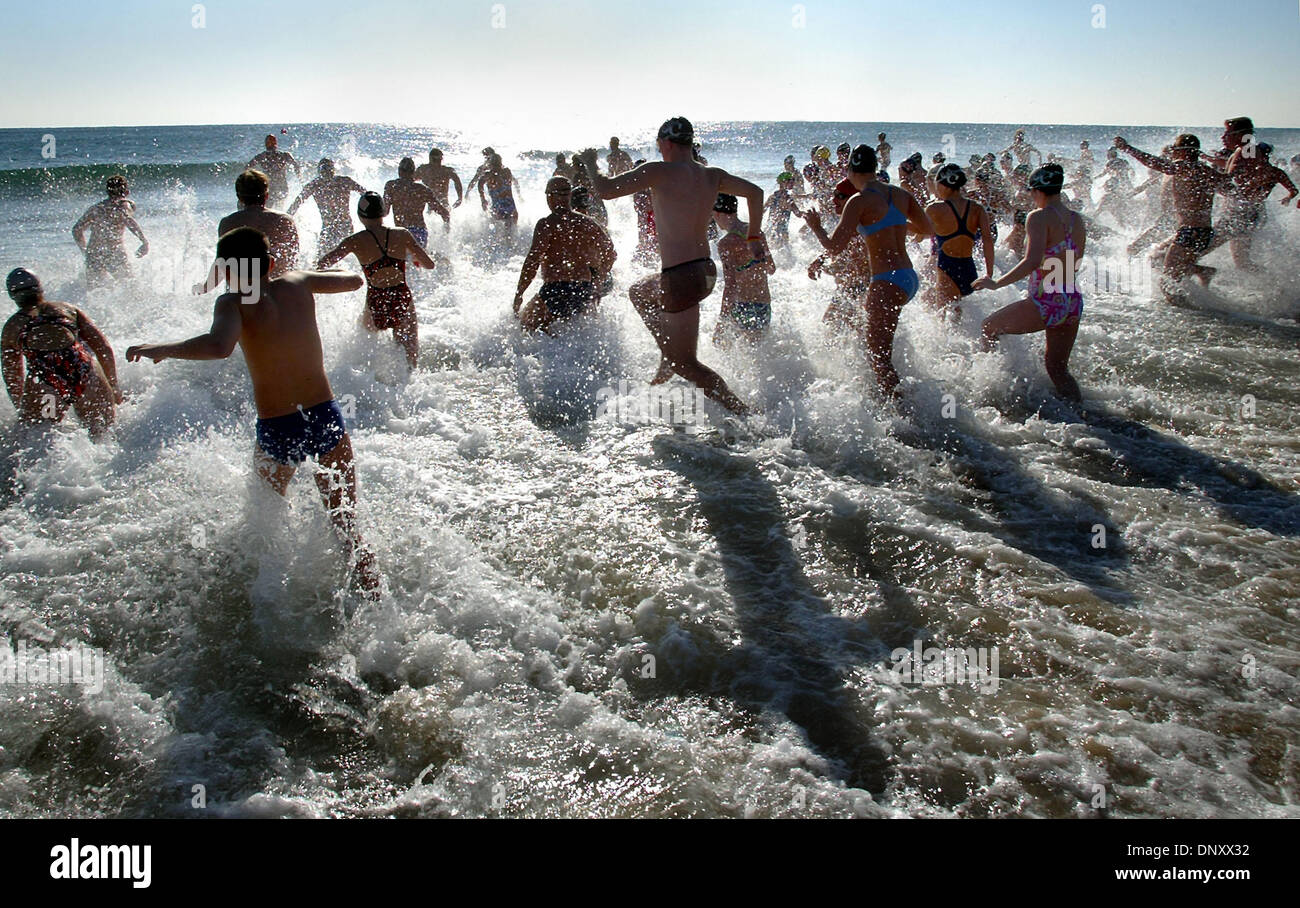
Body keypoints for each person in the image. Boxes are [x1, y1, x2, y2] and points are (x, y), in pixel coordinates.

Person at [127, 227, 380, 596]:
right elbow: (354, 280)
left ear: (226, 270)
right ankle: (373, 602)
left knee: (265, 524)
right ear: (272, 263)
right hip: (325, 415)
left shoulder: (231, 303)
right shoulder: (296, 281)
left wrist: (162, 348)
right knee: (347, 525)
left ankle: (269, 601)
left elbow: (218, 346)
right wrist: (308, 275)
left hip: (279, 426)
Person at [574, 116, 762, 415]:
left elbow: (606, 190)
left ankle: (745, 413)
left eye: (659, 144)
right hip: (704, 271)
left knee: (686, 364)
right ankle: (666, 353)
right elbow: (756, 192)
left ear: (668, 143)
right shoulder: (712, 175)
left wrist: (589, 162)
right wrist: (752, 235)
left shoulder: (658, 171)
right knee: (639, 292)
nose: (659, 149)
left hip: (681, 276)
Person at [801, 145, 933, 400]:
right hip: (908, 277)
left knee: (880, 358)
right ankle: (889, 399)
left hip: (885, 281)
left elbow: (834, 246)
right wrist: (891, 225)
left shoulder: (858, 201)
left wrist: (816, 227)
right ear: (874, 168)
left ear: (850, 170)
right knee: (878, 350)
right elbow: (926, 229)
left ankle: (902, 419)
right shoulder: (900, 194)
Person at [974, 164, 1085, 402]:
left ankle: (991, 393)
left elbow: (1032, 261)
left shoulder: (1038, 217)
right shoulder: (1077, 220)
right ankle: (1084, 415)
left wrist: (996, 283)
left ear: (1037, 190)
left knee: (988, 328)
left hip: (1047, 301)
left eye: (1031, 192)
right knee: (1057, 369)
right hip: (1072, 300)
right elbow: (1075, 262)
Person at [318, 192, 436, 368]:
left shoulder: (354, 241)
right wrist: (412, 256)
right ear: (383, 213)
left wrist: (344, 273)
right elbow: (429, 264)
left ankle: (369, 382)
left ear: (360, 216)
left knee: (365, 354)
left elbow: (322, 264)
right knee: (410, 360)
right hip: (401, 296)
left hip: (375, 299)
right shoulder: (402, 234)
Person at [2, 268, 121, 438]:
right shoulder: (68, 309)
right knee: (104, 435)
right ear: (40, 289)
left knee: (38, 439)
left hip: (46, 380)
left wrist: (22, 408)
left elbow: (12, 375)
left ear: (12, 295)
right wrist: (113, 385)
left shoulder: (12, 327)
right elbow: (103, 348)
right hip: (85, 370)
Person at [1114, 134, 1235, 300]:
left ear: (1183, 152)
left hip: (1190, 232)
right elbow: (1230, 188)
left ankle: (1194, 316)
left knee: (1168, 284)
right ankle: (1203, 272)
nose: (1173, 155)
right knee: (1158, 259)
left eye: (1175, 151)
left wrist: (1128, 149)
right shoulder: (1207, 171)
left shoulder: (1185, 167)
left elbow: (1155, 163)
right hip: (1203, 232)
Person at [513, 177, 617, 334]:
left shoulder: (547, 224)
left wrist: (519, 293)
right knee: (575, 334)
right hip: (584, 290)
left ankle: (542, 357)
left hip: (556, 290)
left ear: (550, 196)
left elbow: (532, 261)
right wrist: (597, 282)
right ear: (569, 195)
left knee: (525, 327)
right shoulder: (588, 222)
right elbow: (611, 254)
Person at [195, 170, 299, 292]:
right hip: (275, 291)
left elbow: (221, 263)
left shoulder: (228, 222)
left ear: (239, 197)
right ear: (266, 195)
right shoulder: (284, 220)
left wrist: (205, 288)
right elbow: (292, 260)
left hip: (239, 293)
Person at [1204, 142, 1298, 270]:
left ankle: (1188, 265)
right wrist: (1288, 197)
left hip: (1244, 213)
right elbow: (1294, 191)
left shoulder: (1261, 171)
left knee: (1208, 246)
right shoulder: (1275, 172)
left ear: (1262, 156)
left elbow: (1237, 189)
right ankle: (1274, 282)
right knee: (1242, 262)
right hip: (1256, 214)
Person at [925, 164, 993, 320]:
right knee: (957, 312)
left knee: (943, 317)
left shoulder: (935, 208)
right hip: (969, 268)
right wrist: (989, 273)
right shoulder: (977, 208)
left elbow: (919, 230)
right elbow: (988, 241)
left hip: (948, 267)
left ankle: (949, 344)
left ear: (944, 185)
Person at [711, 193, 776, 346]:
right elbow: (772, 268)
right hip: (764, 305)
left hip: (743, 306)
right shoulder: (756, 233)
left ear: (718, 213)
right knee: (759, 354)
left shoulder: (726, 243)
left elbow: (731, 284)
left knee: (724, 347)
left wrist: (723, 319)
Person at [287, 159, 367, 252]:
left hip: (333, 227)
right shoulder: (343, 181)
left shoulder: (316, 184)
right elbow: (368, 195)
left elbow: (296, 204)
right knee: (348, 254)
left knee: (323, 259)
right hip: (340, 226)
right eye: (325, 168)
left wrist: (285, 218)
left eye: (328, 168)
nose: (327, 171)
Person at [384, 157, 451, 246]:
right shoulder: (423, 189)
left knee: (401, 259)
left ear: (399, 171)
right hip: (419, 232)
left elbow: (385, 212)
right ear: (413, 172)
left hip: (401, 232)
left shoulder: (391, 186)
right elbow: (444, 213)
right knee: (418, 259)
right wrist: (446, 232)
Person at [247, 134, 301, 207]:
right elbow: (296, 165)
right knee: (280, 207)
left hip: (269, 186)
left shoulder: (261, 156)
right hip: (282, 186)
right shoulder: (285, 155)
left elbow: (248, 167)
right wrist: (300, 178)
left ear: (266, 144)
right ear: (276, 143)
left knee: (268, 208)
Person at [479, 153, 521, 228]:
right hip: (510, 206)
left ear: (490, 164)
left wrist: (483, 199)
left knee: (498, 230)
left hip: (499, 207)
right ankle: (514, 239)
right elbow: (516, 182)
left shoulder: (488, 175)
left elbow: (480, 184)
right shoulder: (506, 172)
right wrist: (519, 195)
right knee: (512, 229)